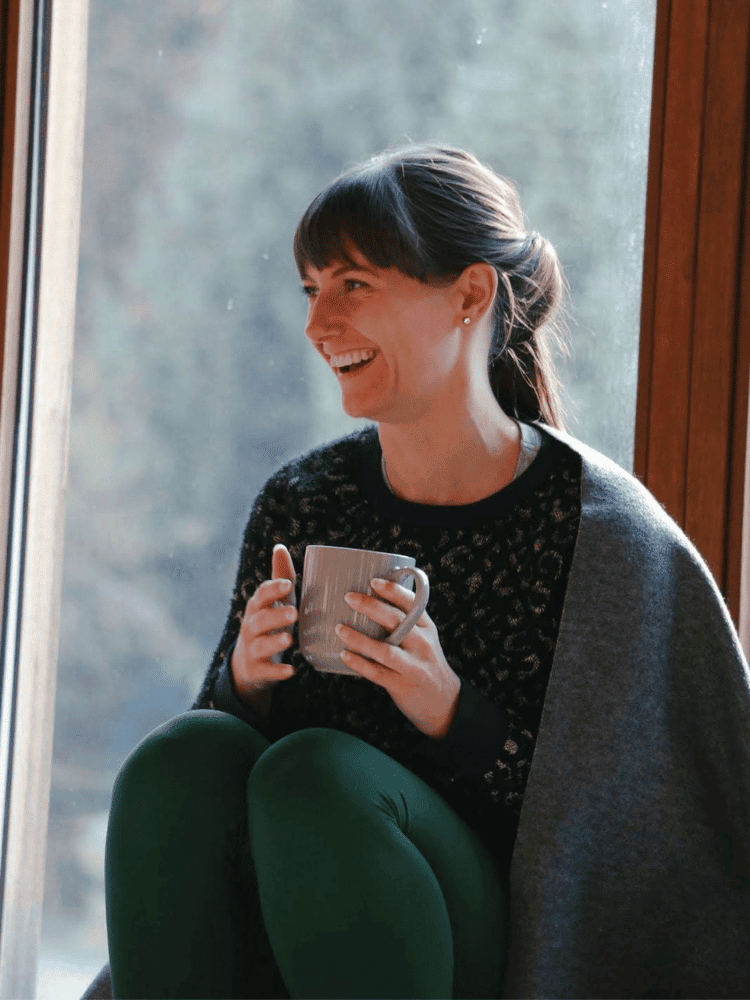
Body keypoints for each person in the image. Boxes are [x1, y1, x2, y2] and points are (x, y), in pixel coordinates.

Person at [95, 144, 750, 1000]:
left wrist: (448, 709)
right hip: (287, 914)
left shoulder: (608, 541)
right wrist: (244, 687)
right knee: (182, 754)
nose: (316, 324)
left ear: (470, 296)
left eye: (353, 286)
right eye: (311, 290)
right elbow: (214, 787)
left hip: (495, 944)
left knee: (315, 776)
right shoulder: (300, 499)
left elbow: (639, 842)